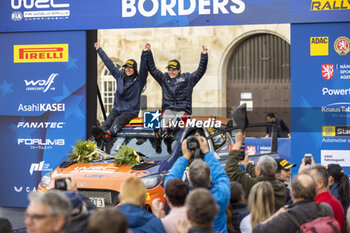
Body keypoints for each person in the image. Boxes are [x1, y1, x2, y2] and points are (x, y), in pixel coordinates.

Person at [164, 135, 230, 233]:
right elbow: (221, 176)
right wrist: (207, 153)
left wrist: (185, 156)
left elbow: (170, 182)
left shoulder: (182, 197)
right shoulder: (221, 194)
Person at [92, 42, 149, 150]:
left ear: (134, 69)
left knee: (118, 121)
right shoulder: (119, 76)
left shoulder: (139, 81)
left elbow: (143, 68)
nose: (128, 69)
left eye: (131, 68)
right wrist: (99, 49)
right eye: (126, 67)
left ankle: (109, 136)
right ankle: (100, 137)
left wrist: (145, 52)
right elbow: (109, 64)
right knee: (107, 122)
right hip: (117, 108)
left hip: (130, 112)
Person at [144, 43, 208, 137]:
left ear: (179, 70)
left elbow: (200, 71)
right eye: (169, 69)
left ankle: (170, 130)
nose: (171, 72)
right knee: (164, 120)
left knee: (178, 120)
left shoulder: (187, 78)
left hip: (183, 110)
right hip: (168, 109)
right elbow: (152, 69)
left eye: (174, 70)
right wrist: (148, 52)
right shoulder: (164, 78)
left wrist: (204, 54)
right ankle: (161, 132)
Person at [253, 174, 335, 233]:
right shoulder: (326, 209)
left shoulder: (286, 217)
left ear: (291, 192)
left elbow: (257, 230)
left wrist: (276, 214)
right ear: (315, 191)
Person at [225, 132, 286, 211]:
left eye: (256, 166)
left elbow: (231, 168)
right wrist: (247, 164)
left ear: (260, 172)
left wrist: (238, 143)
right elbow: (262, 176)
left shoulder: (253, 185)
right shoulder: (281, 187)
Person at [301, 164, 345, 232]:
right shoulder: (333, 201)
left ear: (320, 183)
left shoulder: (320, 204)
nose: (305, 184)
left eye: (308, 180)